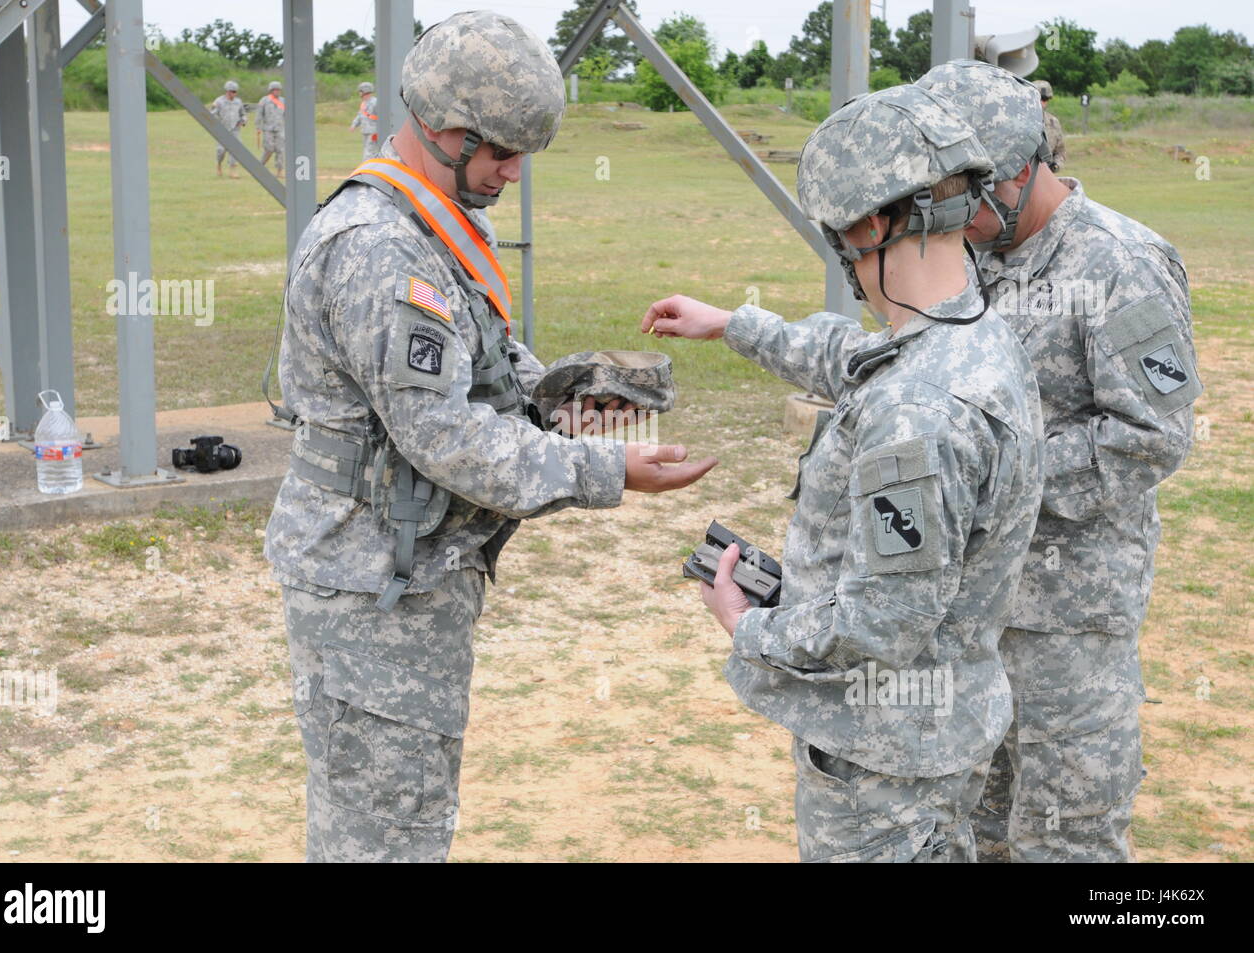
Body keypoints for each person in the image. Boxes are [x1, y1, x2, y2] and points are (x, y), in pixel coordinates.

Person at [264, 10, 715, 863]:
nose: (512, 172)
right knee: (384, 837)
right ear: (444, 132)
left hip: (405, 576)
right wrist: (604, 468)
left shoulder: (432, 224)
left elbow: (478, 367)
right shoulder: (380, 249)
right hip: (369, 589)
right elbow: (447, 438)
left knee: (408, 817)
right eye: (502, 153)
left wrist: (559, 400)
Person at [641, 84, 1043, 863]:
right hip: (938, 734)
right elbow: (855, 358)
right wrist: (733, 323)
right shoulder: (973, 335)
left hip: (881, 765)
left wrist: (748, 623)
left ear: (865, 225)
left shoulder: (917, 412)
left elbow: (879, 624)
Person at [918, 60, 1200, 862]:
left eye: (958, 199)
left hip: (1070, 622)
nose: (947, 220)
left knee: (1068, 841)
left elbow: (1151, 436)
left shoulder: (1122, 263)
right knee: (975, 826)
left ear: (1012, 174)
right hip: (974, 607)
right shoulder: (973, 255)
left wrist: (999, 481)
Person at [209, 79, 247, 179]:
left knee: (235, 149)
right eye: (233, 91)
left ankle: (233, 170)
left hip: (235, 129)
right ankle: (219, 164)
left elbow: (243, 114)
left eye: (236, 92)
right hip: (222, 129)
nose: (235, 94)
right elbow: (212, 114)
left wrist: (243, 121)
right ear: (227, 91)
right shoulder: (219, 101)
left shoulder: (238, 102)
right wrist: (216, 125)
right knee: (221, 150)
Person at [1032, 79, 1067, 171]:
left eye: (1045, 99)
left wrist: (1056, 165)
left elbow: (1060, 152)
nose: (1042, 103)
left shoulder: (1053, 122)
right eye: (1039, 98)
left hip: (1046, 175)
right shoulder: (1020, 121)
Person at [257, 80, 285, 177]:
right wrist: (258, 127)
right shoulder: (264, 100)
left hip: (280, 128)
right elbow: (259, 115)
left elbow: (286, 115)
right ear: (271, 90)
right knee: (269, 149)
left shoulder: (283, 101)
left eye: (278, 90)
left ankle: (280, 170)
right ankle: (260, 166)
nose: (277, 91)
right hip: (268, 129)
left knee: (280, 150)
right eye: (275, 90)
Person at [351, 81, 379, 160]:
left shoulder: (375, 102)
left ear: (365, 91)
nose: (359, 93)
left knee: (370, 151)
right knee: (367, 149)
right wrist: (354, 125)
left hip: (374, 131)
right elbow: (360, 115)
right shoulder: (364, 103)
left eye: (360, 91)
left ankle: (367, 167)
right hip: (365, 130)